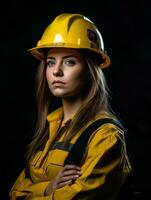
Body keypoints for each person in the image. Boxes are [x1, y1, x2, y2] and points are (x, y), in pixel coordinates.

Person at [9, 13, 132, 200]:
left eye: (69, 62)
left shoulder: (105, 136)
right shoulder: (50, 128)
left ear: (90, 71)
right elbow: (14, 192)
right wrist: (48, 188)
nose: (56, 71)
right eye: (51, 62)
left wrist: (32, 192)